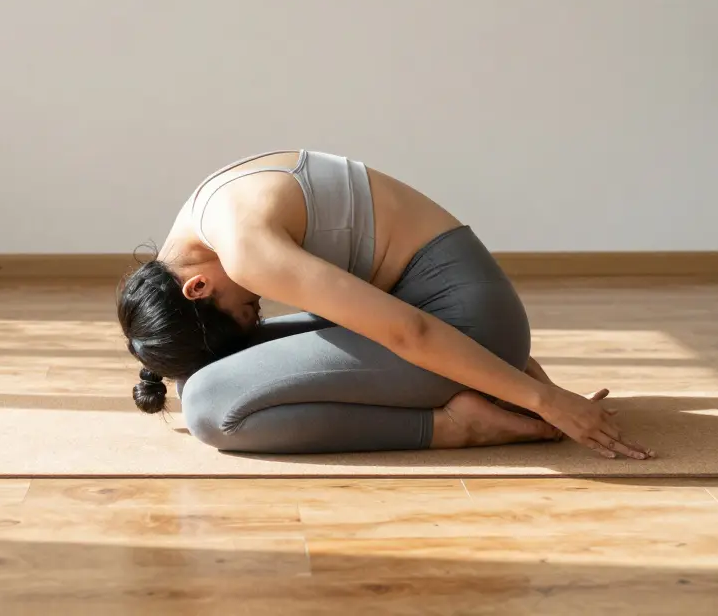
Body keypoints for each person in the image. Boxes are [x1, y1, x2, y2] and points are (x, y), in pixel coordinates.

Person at [115, 149, 653, 460]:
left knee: (210, 407)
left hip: (459, 323)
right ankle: (482, 386)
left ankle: (459, 426)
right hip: (446, 309)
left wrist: (544, 399)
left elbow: (408, 334)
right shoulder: (206, 211)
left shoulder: (244, 250)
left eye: (244, 311)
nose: (257, 306)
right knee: (198, 380)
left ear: (198, 289)